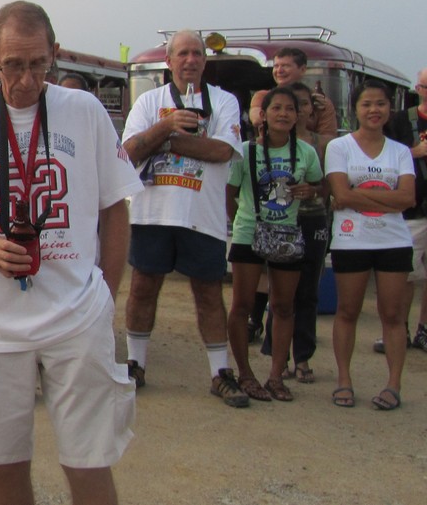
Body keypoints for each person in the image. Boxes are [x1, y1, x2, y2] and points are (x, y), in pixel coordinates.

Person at [0, 2, 139, 505]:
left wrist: (105, 297)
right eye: (13, 65)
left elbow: (115, 209)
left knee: (89, 462)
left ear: (54, 54)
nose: (26, 80)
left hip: (76, 319)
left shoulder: (85, 112)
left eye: (38, 64)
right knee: (3, 465)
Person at [121, 30, 249, 407]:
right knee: (142, 288)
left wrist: (165, 141)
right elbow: (128, 152)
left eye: (197, 53)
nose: (190, 60)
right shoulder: (149, 101)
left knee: (208, 293)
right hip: (152, 213)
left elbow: (223, 151)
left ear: (205, 61)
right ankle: (135, 364)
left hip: (202, 214)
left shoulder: (223, 101)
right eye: (182, 53)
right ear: (169, 61)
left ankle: (220, 372)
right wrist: (166, 125)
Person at [225, 87, 323, 402]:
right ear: (263, 115)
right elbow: (229, 193)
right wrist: (243, 222)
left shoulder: (306, 152)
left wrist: (311, 191)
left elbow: (319, 186)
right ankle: (245, 374)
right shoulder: (245, 151)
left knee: (283, 306)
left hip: (286, 234)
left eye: (290, 109)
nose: (283, 114)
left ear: (298, 115)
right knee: (242, 305)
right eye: (276, 108)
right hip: (248, 233)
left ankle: (276, 376)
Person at [326, 80, 415, 410]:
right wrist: (386, 198)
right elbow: (340, 193)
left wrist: (355, 196)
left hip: (394, 241)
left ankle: (394, 385)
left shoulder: (400, 151)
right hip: (352, 239)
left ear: (390, 108)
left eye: (380, 104)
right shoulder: (339, 147)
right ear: (355, 109)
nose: (374, 110)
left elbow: (407, 199)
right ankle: (344, 380)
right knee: (348, 311)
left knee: (393, 315)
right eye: (366, 104)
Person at [260, 81, 335, 382]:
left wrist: (313, 190)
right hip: (279, 222)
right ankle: (276, 355)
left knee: (308, 291)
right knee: (279, 294)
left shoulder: (323, 144)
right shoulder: (265, 144)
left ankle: (303, 356)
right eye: (289, 105)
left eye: (302, 104)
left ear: (310, 109)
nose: (296, 111)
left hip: (313, 219)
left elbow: (329, 186)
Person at [376, 67, 427, 355]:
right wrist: (413, 152)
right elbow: (382, 155)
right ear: (418, 90)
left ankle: (424, 330)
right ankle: (400, 329)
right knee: (406, 273)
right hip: (412, 211)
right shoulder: (400, 121)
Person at [249, 47, 338, 136]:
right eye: (276, 66)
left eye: (285, 66)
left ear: (302, 69)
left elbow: (328, 137)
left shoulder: (320, 102)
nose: (279, 70)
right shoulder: (263, 96)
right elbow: (256, 119)